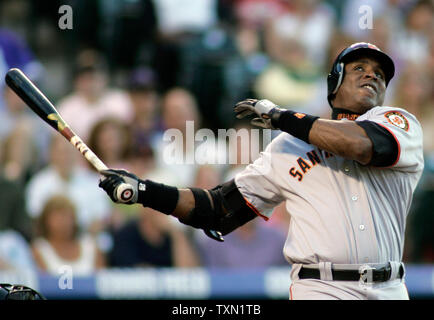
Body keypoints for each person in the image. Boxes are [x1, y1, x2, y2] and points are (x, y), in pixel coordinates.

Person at [98, 42, 424, 300]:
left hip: (390, 285)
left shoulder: (400, 124)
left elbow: (360, 146)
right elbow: (218, 210)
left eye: (380, 73)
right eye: (359, 68)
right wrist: (144, 191)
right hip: (323, 288)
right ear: (335, 82)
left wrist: (280, 116)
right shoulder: (287, 147)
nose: (372, 75)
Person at [31, 195, 106, 275]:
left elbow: (101, 280)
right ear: (46, 221)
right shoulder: (40, 249)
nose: (63, 222)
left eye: (67, 216)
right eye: (57, 217)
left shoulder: (91, 247)